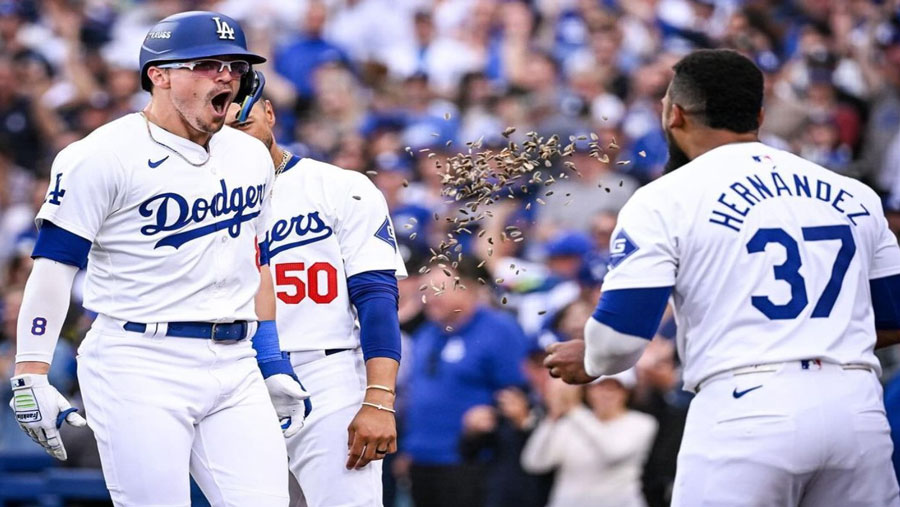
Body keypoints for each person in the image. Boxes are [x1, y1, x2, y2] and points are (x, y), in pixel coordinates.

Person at [544, 49, 900, 506]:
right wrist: (813, 340)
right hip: (856, 406)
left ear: (675, 114)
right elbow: (892, 318)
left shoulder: (663, 199)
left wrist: (591, 358)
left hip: (746, 407)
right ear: (760, 115)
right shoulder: (855, 194)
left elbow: (621, 338)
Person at [7, 11, 311, 506]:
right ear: (160, 75)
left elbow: (255, 262)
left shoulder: (250, 155)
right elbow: (53, 268)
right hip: (139, 359)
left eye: (235, 67)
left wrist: (271, 358)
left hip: (234, 362)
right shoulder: (102, 154)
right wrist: (32, 370)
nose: (226, 77)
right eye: (208, 64)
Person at [226, 80, 407, 506]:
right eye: (223, 130)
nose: (236, 136)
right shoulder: (201, 201)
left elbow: (377, 297)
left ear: (269, 113)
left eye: (245, 123)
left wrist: (379, 398)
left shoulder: (339, 186)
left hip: (325, 373)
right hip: (234, 375)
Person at [402, 258, 528, 507]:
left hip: (472, 461)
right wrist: (409, 449)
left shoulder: (498, 330)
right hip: (422, 460)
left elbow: (520, 393)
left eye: (439, 289)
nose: (430, 298)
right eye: (425, 291)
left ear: (468, 287)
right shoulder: (426, 334)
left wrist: (492, 415)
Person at [520, 372, 657, 507]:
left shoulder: (642, 423)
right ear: (587, 391)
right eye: (599, 387)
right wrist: (552, 417)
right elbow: (535, 463)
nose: (606, 394)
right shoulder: (571, 422)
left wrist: (574, 409)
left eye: (614, 388)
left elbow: (613, 452)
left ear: (627, 392)